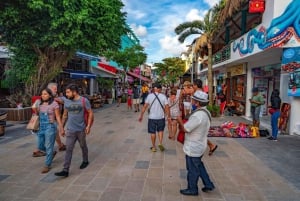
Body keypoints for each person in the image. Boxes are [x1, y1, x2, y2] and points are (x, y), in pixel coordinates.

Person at [177, 91, 215, 196]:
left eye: (193, 100)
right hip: (200, 144)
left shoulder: (198, 115)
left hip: (194, 146)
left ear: (197, 103)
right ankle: (208, 184)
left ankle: (192, 189)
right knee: (198, 165)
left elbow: (185, 129)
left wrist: (179, 120)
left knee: (192, 169)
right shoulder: (206, 112)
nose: (192, 101)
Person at [55, 84, 94, 177]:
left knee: (83, 145)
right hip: (70, 130)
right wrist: (62, 128)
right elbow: (64, 115)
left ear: (74, 92)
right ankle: (65, 170)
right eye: (66, 92)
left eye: (68, 92)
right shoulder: (67, 101)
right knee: (68, 149)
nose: (66, 94)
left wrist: (88, 126)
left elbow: (90, 113)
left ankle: (85, 160)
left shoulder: (84, 101)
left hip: (81, 129)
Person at [33, 88, 64, 173]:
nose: (43, 95)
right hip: (41, 126)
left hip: (50, 127)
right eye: (42, 94)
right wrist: (35, 109)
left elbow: (57, 117)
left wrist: (61, 128)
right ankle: (52, 153)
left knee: (49, 146)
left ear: (50, 95)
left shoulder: (54, 104)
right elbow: (36, 114)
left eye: (45, 94)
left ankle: (47, 165)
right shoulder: (39, 103)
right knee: (40, 146)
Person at [138, 82, 171, 152]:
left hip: (152, 118)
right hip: (161, 117)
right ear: (158, 89)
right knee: (160, 131)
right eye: (160, 89)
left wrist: (141, 116)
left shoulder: (149, 96)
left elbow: (144, 107)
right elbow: (167, 107)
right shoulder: (163, 96)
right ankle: (160, 143)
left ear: (154, 88)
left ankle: (153, 147)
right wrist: (168, 116)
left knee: (153, 132)